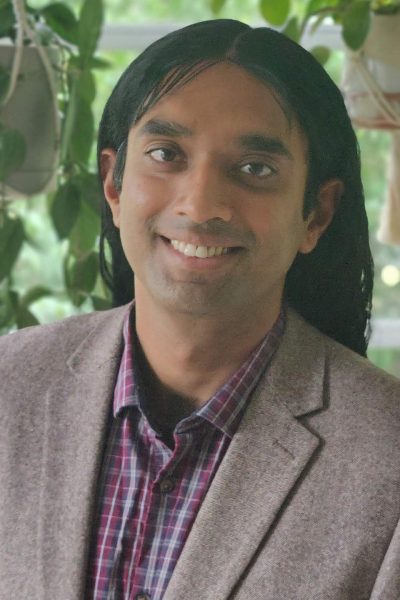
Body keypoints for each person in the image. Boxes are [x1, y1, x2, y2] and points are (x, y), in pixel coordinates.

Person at [1, 18, 399, 600]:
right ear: (113, 186)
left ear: (316, 214)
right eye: (166, 154)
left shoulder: (388, 456)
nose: (201, 204)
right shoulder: (9, 386)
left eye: (255, 169)